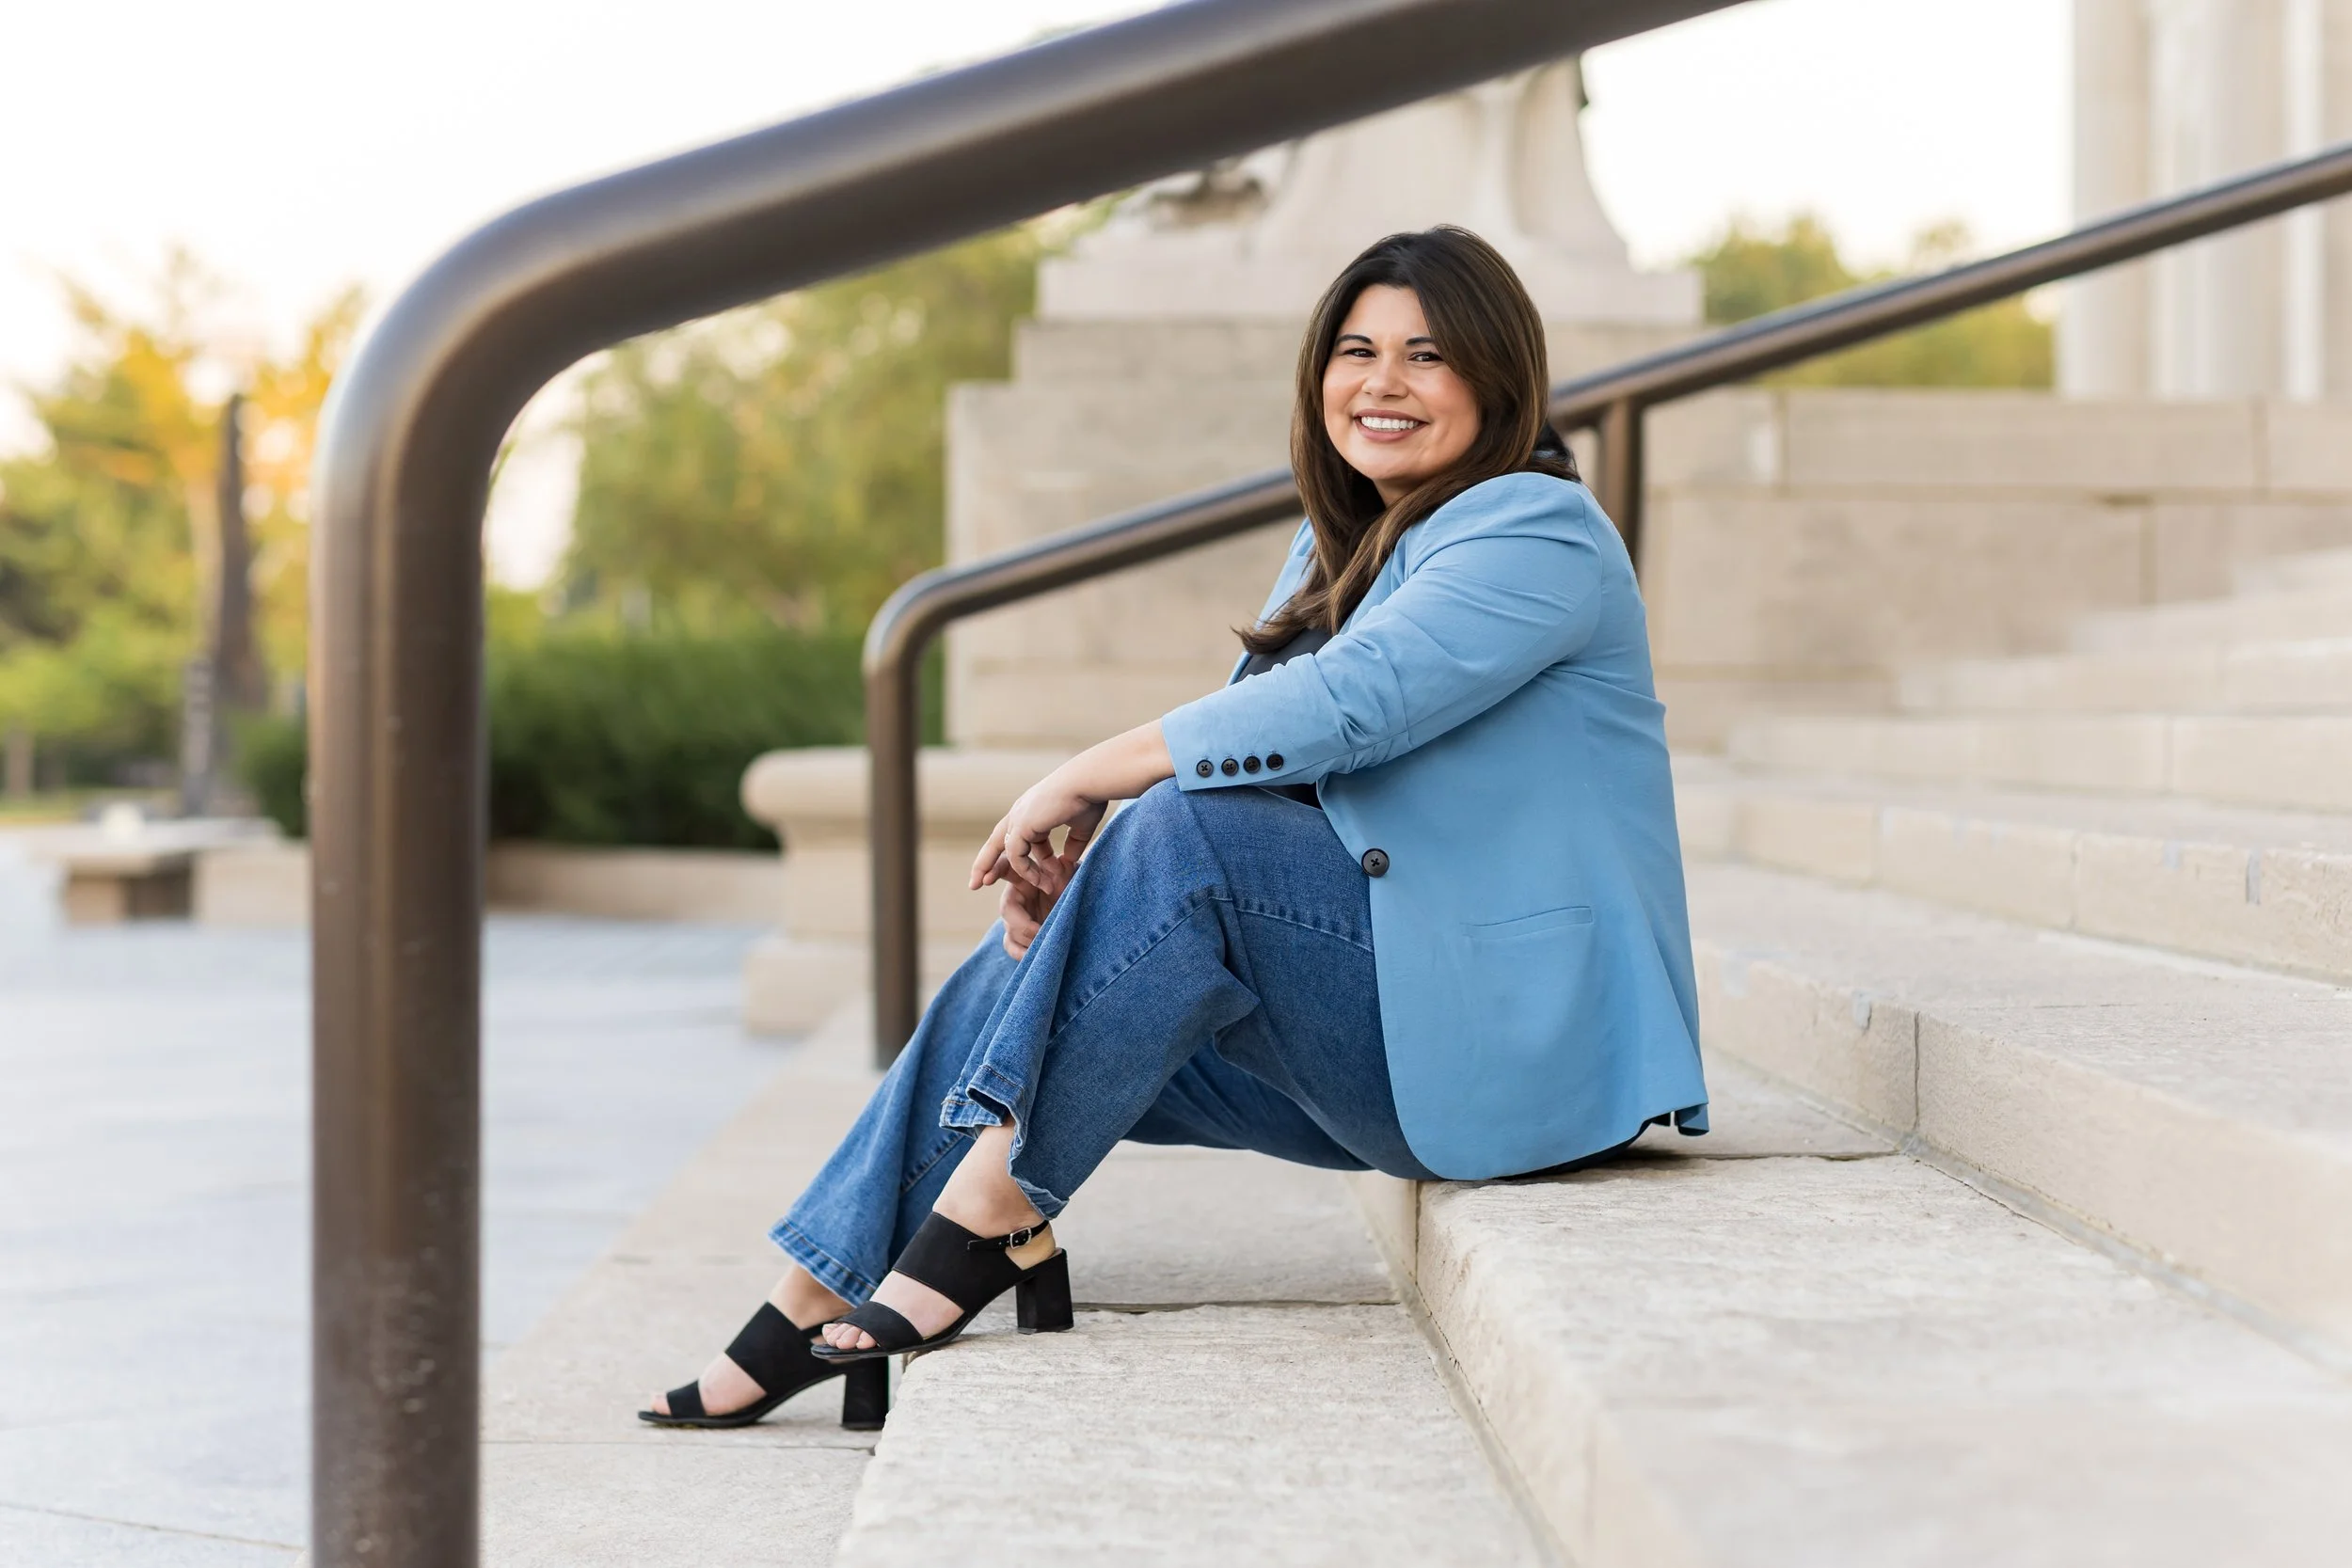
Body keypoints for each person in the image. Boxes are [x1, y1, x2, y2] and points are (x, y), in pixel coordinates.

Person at [641, 225, 1708, 1432]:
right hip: (1397, 1024)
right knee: (1034, 958)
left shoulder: (1538, 529)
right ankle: (806, 1297)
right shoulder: (1339, 541)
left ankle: (987, 1222)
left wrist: (1086, 777)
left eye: (1427, 354)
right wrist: (1093, 896)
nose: (1383, 382)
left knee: (1178, 829)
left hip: (1517, 1043)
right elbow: (1262, 759)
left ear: (1498, 376)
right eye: (1354, 351)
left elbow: (1346, 710)